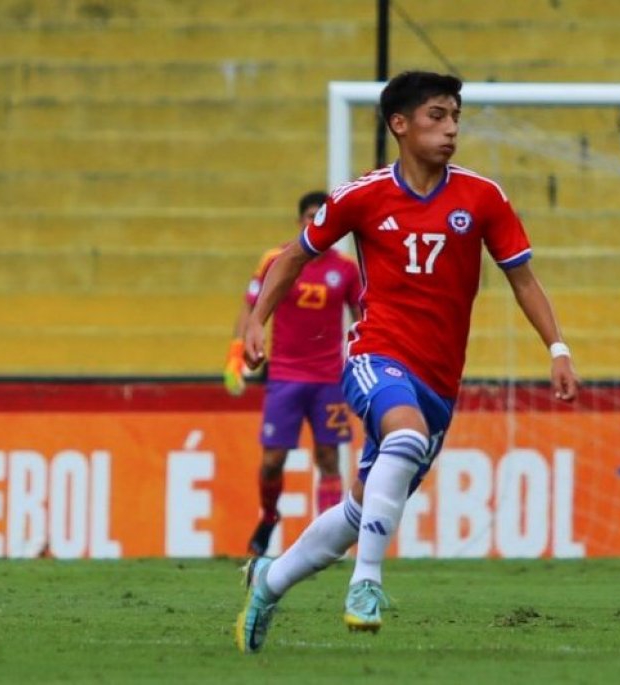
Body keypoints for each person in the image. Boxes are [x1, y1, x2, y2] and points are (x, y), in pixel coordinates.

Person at [235, 71, 579, 654]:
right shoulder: (360, 197)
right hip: (376, 353)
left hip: (441, 378)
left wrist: (558, 348)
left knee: (361, 508)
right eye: (437, 116)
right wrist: (254, 320)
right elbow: (293, 257)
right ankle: (366, 584)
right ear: (400, 124)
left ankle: (268, 584)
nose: (450, 130)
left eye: (455, 118)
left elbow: (522, 279)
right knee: (404, 434)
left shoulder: (483, 197)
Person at [224, 190, 363, 556]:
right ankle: (269, 516)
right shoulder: (277, 259)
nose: (313, 223)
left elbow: (364, 317)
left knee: (329, 457)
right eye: (308, 216)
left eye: (320, 217)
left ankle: (325, 542)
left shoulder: (346, 269)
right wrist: (236, 351)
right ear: (299, 220)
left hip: (328, 378)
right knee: (272, 461)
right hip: (285, 376)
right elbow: (251, 307)